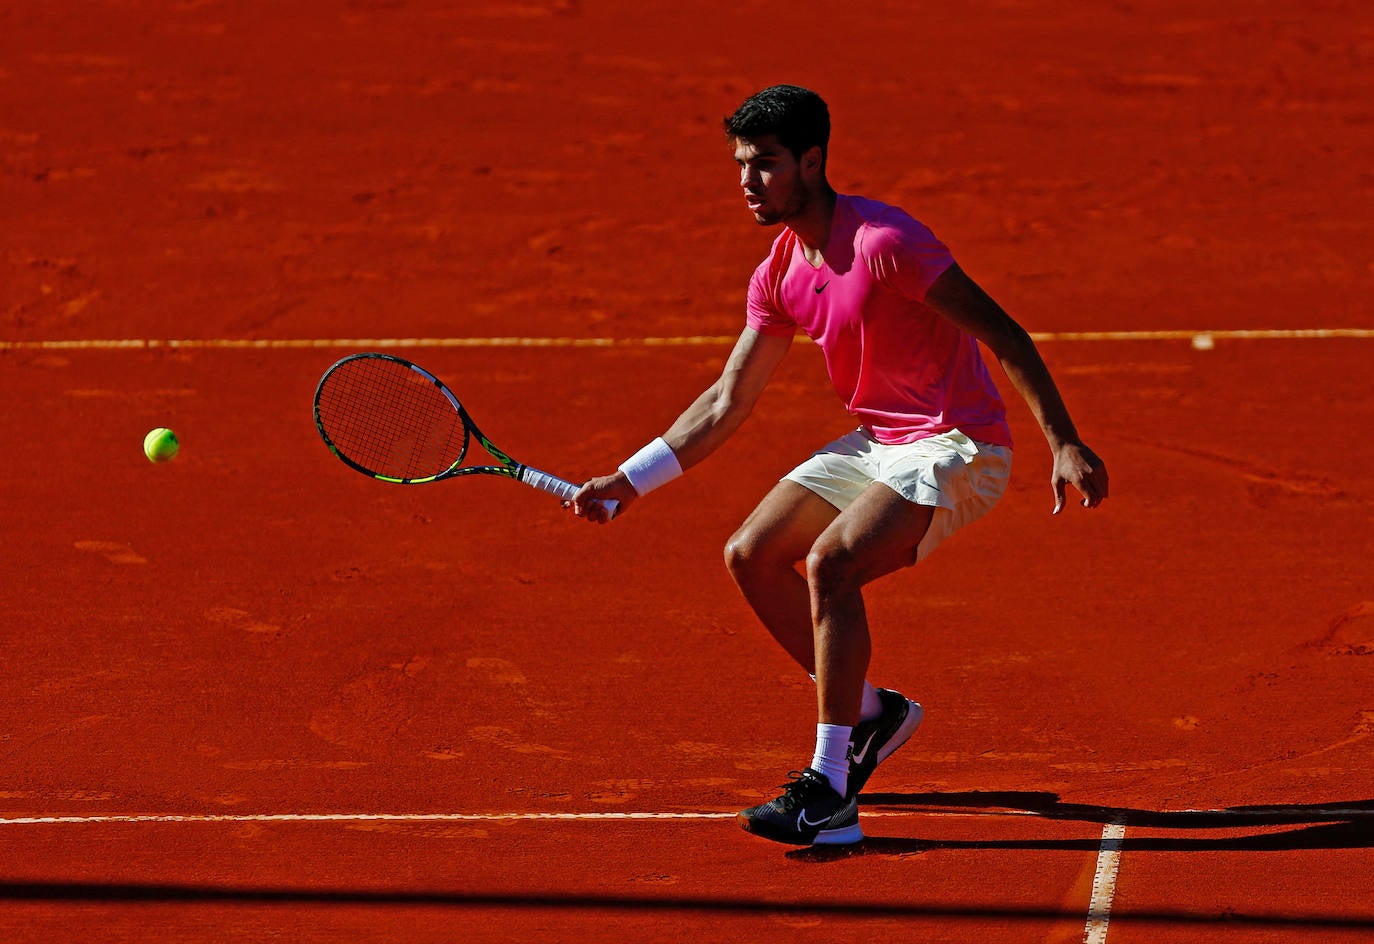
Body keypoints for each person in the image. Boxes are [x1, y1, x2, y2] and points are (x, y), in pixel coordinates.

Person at [568, 84, 1108, 846]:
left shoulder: (888, 243)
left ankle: (829, 791)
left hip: (959, 444)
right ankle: (868, 716)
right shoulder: (780, 271)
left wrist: (1062, 439)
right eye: (742, 165)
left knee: (831, 563)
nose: (749, 182)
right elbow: (728, 399)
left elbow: (1005, 332)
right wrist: (630, 479)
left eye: (766, 164)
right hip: (881, 442)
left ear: (812, 162)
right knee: (751, 555)